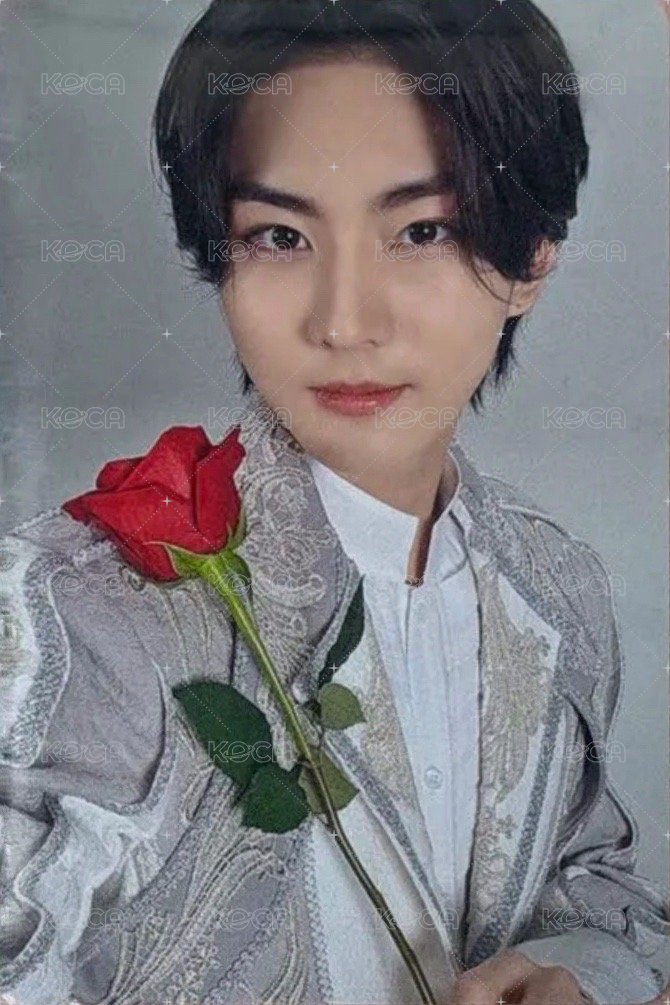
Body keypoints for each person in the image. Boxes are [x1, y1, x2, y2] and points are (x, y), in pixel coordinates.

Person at [1, 2, 668, 1003]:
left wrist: (579, 975)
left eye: (422, 230)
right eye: (279, 235)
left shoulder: (555, 584)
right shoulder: (72, 614)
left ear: (531, 256)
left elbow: (592, 881)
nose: (345, 321)